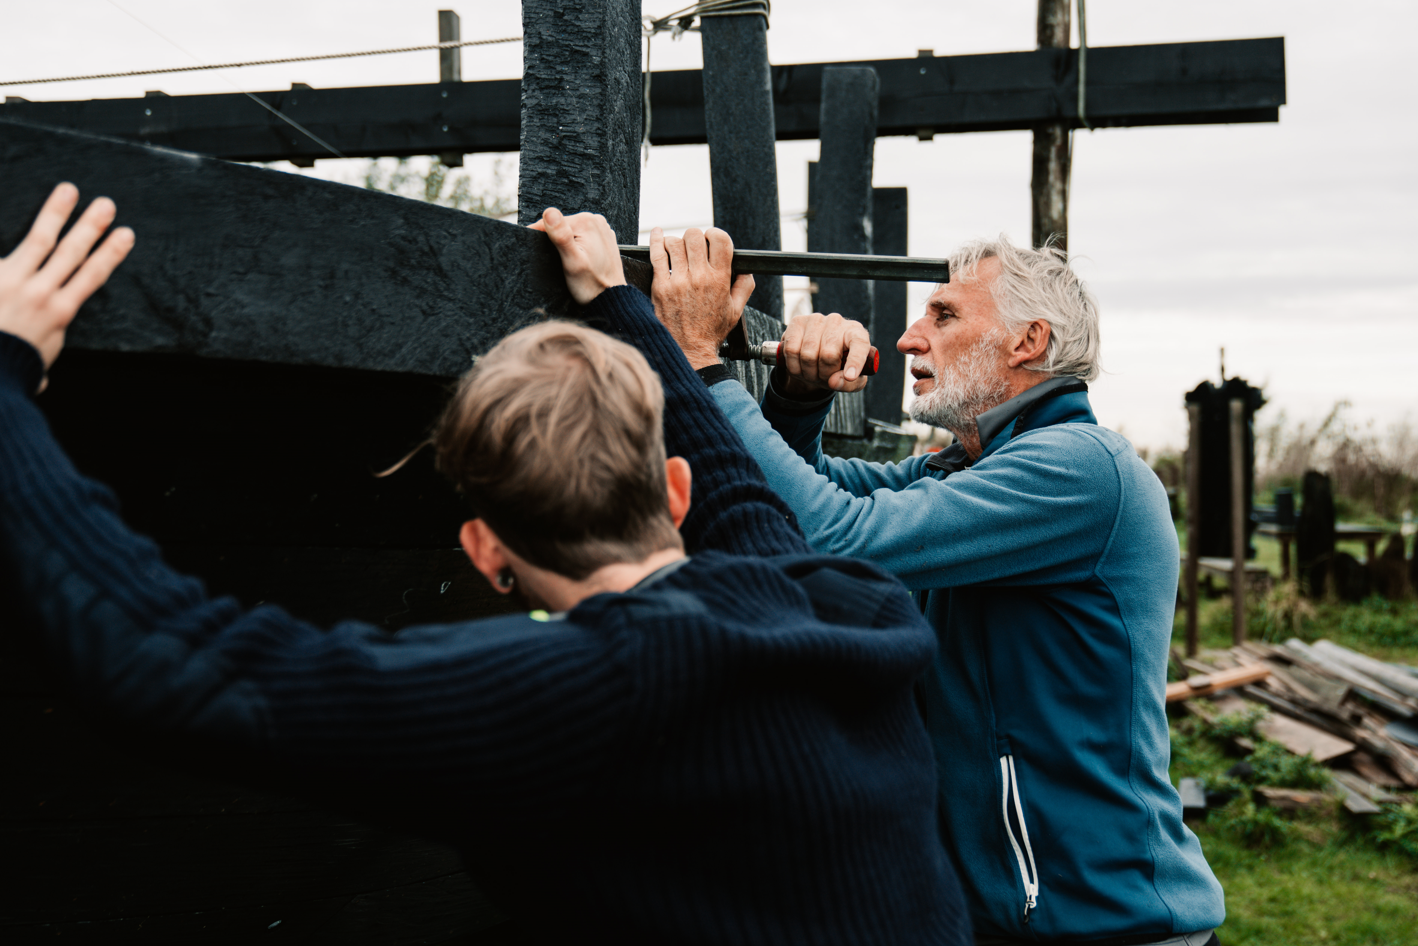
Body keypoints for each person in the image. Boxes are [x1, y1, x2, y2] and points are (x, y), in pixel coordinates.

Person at [0, 183, 971, 945]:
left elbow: (174, 662)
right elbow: (740, 495)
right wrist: (617, 302)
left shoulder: (584, 695)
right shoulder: (842, 607)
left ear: (484, 553)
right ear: (668, 493)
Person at [633, 229, 1226, 946]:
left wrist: (700, 357)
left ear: (1027, 341)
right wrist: (794, 400)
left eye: (944, 316)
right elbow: (785, 516)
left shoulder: (1078, 470)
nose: (911, 339)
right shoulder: (963, 470)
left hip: (1103, 924)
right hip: (1001, 919)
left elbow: (838, 537)